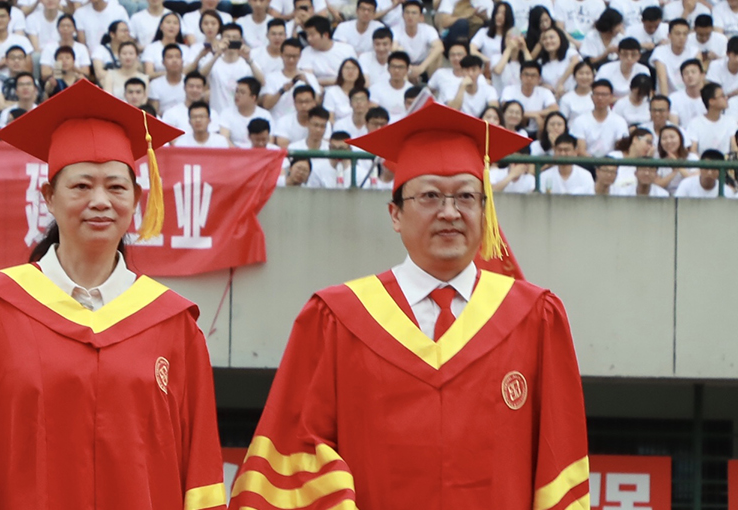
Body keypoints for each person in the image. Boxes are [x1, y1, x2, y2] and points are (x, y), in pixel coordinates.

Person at [230, 100, 588, 508]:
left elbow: (561, 469)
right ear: (395, 214)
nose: (450, 212)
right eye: (431, 195)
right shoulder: (337, 318)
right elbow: (293, 455)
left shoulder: (535, 317)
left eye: (466, 197)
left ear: (486, 212)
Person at [0, 80, 224, 510]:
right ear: (49, 198)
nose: (100, 200)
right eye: (80, 186)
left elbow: (198, 470)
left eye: (115, 186)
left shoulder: (174, 325)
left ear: (137, 199)